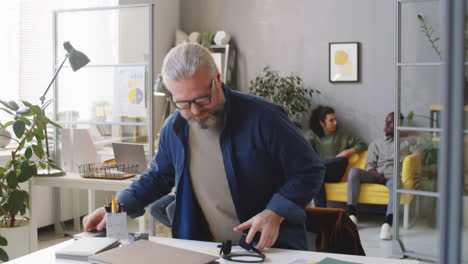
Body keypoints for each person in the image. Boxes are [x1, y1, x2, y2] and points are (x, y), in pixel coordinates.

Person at [83, 43, 325, 250]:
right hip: (203, 249)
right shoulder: (174, 128)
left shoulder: (264, 117)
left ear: (217, 79)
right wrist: (117, 207)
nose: (195, 111)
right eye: (183, 103)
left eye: (201, 99)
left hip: (270, 249)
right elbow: (157, 177)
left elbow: (309, 170)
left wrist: (274, 212)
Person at [346, 112, 417, 240]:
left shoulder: (407, 142)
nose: (387, 125)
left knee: (396, 183)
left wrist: (406, 139)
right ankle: (352, 215)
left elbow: (419, 153)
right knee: (354, 172)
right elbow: (369, 165)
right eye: (387, 122)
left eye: (391, 122)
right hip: (375, 175)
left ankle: (387, 224)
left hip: (392, 177)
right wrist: (377, 176)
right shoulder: (376, 143)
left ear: (399, 125)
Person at [304, 105, 367, 207]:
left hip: (334, 173)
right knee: (317, 175)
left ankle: (318, 169)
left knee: (342, 160)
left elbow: (362, 144)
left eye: (335, 119)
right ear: (322, 123)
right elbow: (305, 155)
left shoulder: (342, 135)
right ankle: (322, 213)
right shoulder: (311, 135)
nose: (335, 123)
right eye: (331, 120)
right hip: (319, 173)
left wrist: (346, 152)